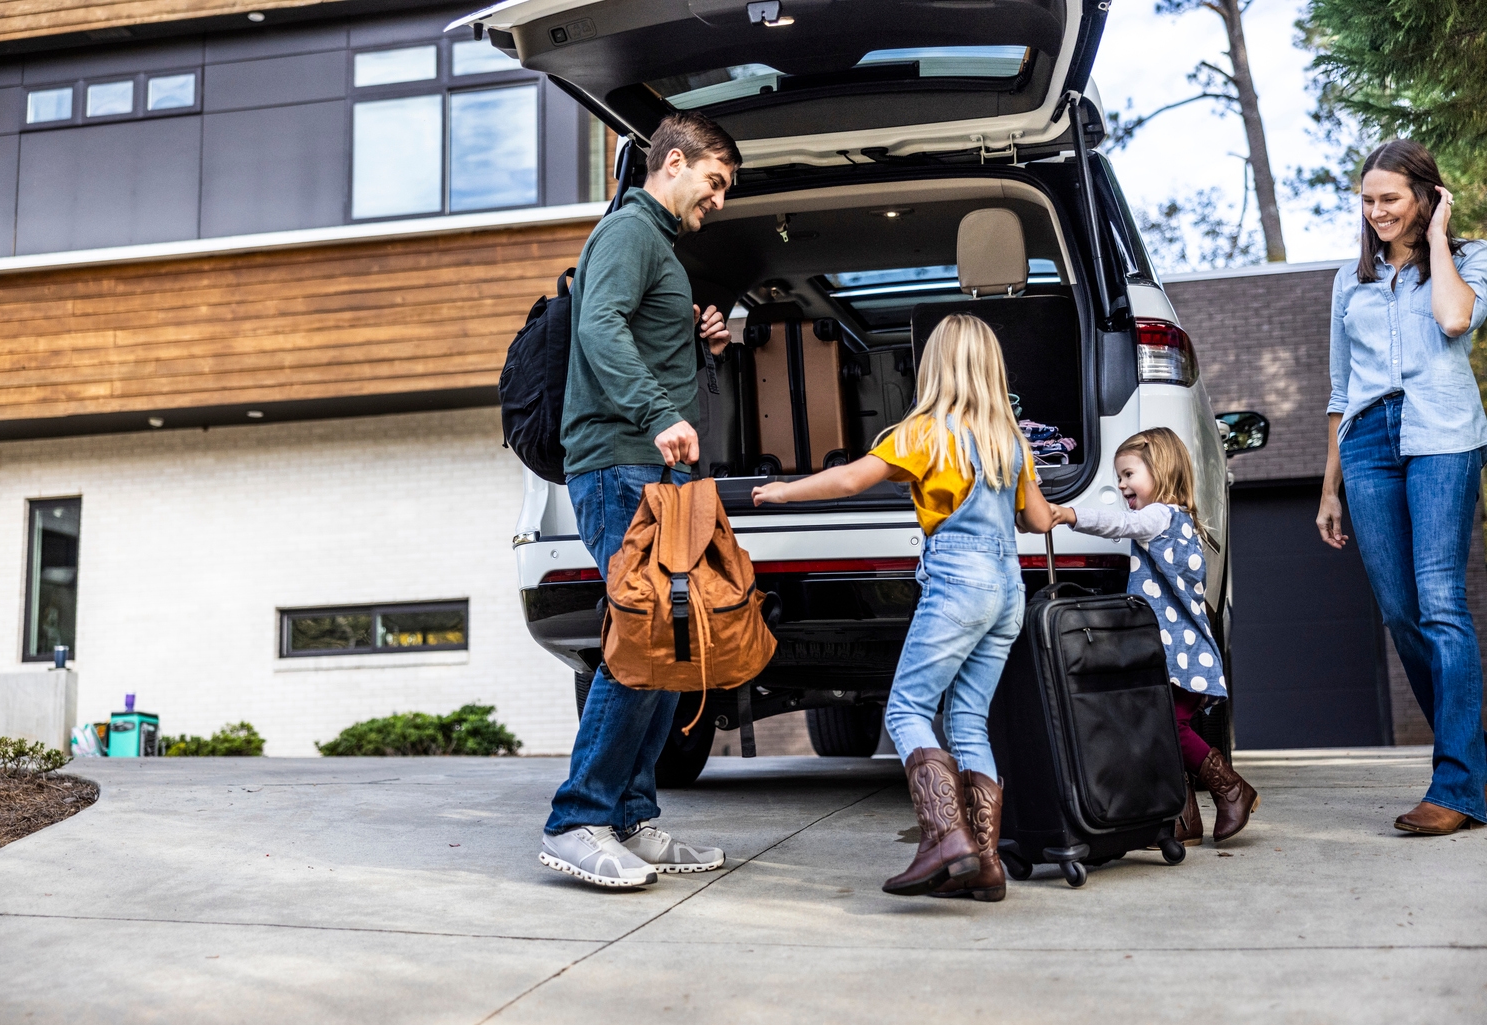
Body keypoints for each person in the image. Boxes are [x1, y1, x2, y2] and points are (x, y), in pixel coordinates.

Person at [754, 313, 1053, 901]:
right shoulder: (1009, 442)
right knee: (967, 719)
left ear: (934, 367)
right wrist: (1063, 512)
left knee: (906, 709)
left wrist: (784, 490)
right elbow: (1038, 520)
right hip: (1006, 591)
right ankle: (985, 862)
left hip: (959, 582)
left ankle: (945, 839)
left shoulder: (925, 433)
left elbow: (849, 481)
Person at [539, 111, 742, 887]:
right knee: (643, 636)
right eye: (715, 182)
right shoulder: (629, 231)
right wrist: (659, 412)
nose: (718, 199)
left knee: (669, 644)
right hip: (620, 464)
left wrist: (699, 340)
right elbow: (598, 326)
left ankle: (629, 816)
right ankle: (576, 818)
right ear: (676, 162)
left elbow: (636, 334)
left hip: (652, 469)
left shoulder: (658, 247)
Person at [1316, 139, 1487, 836]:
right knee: (1400, 610)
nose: (1377, 211)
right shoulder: (1348, 281)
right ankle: (1473, 762)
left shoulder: (1468, 260)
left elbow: (1454, 319)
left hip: (1442, 435)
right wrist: (1329, 488)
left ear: (1426, 196)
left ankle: (1456, 784)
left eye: (1390, 198)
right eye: (1368, 199)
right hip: (1366, 444)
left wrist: (1438, 238)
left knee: (1441, 601)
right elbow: (1339, 390)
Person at [1050, 428, 1259, 844]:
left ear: (1160, 470)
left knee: (1168, 729)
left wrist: (1068, 514)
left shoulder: (1159, 517)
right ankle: (1183, 822)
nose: (1121, 484)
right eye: (1119, 476)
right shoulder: (1179, 520)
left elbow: (1120, 523)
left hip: (1177, 653)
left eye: (1128, 474)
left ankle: (1232, 789)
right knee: (1159, 732)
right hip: (1178, 652)